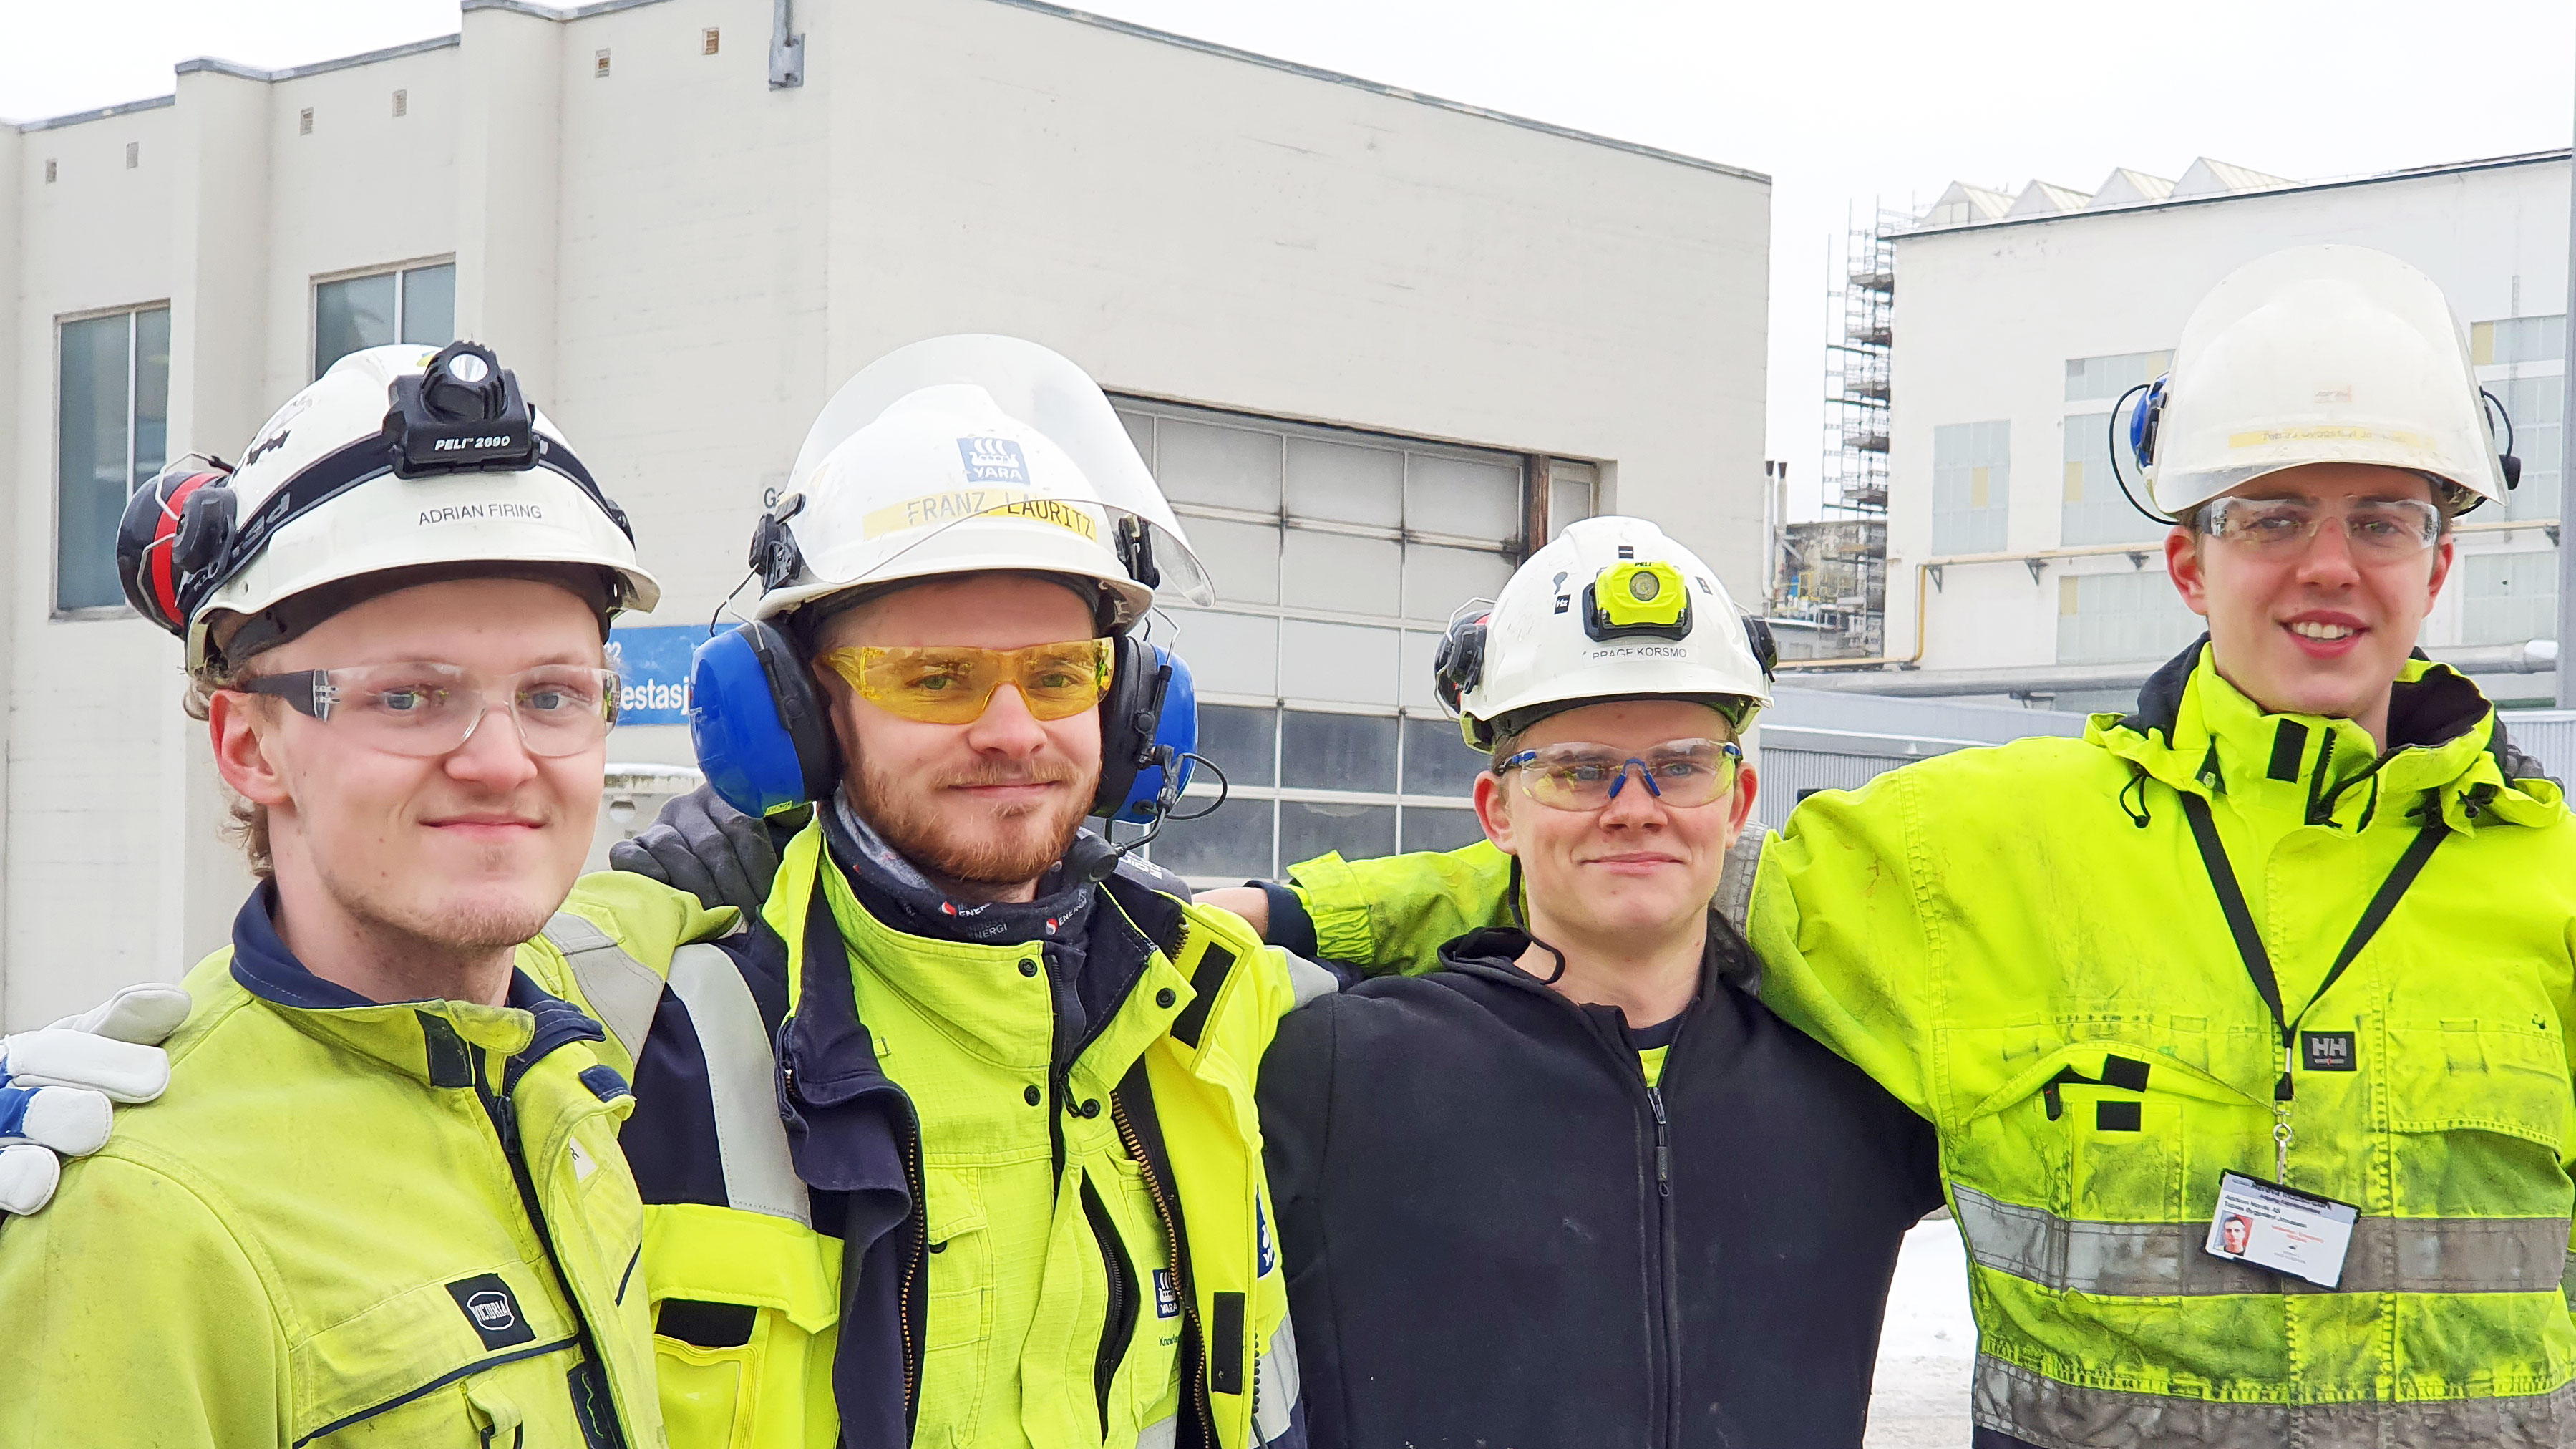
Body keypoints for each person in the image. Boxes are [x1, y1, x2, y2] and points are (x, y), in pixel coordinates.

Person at [1221, 244, 2576, 1447]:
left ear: (2440, 564)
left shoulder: (2554, 888)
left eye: (2383, 519)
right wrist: (1287, 914)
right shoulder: (1986, 846)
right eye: (2274, 516)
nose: (2329, 565)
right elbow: (1637, 865)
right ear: (2188, 563)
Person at [599, 335, 1314, 1449]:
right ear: (798, 711)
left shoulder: (1205, 1007)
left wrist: (1300, 907)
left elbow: (1557, 892)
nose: (1014, 730)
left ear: (1127, 712)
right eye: (936, 678)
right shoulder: (652, 1038)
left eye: (1059, 674)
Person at [0, 342, 671, 1445]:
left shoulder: (556, 1080)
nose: (502, 762)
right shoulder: (141, 1214)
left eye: (553, 695)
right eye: (408, 697)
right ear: (250, 744)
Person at [1253, 517, 1941, 1448]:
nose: (1635, 809)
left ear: (1736, 805)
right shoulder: (1331, 1069)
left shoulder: (1858, 1093)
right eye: (1579, 772)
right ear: (1499, 810)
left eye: (1680, 767)